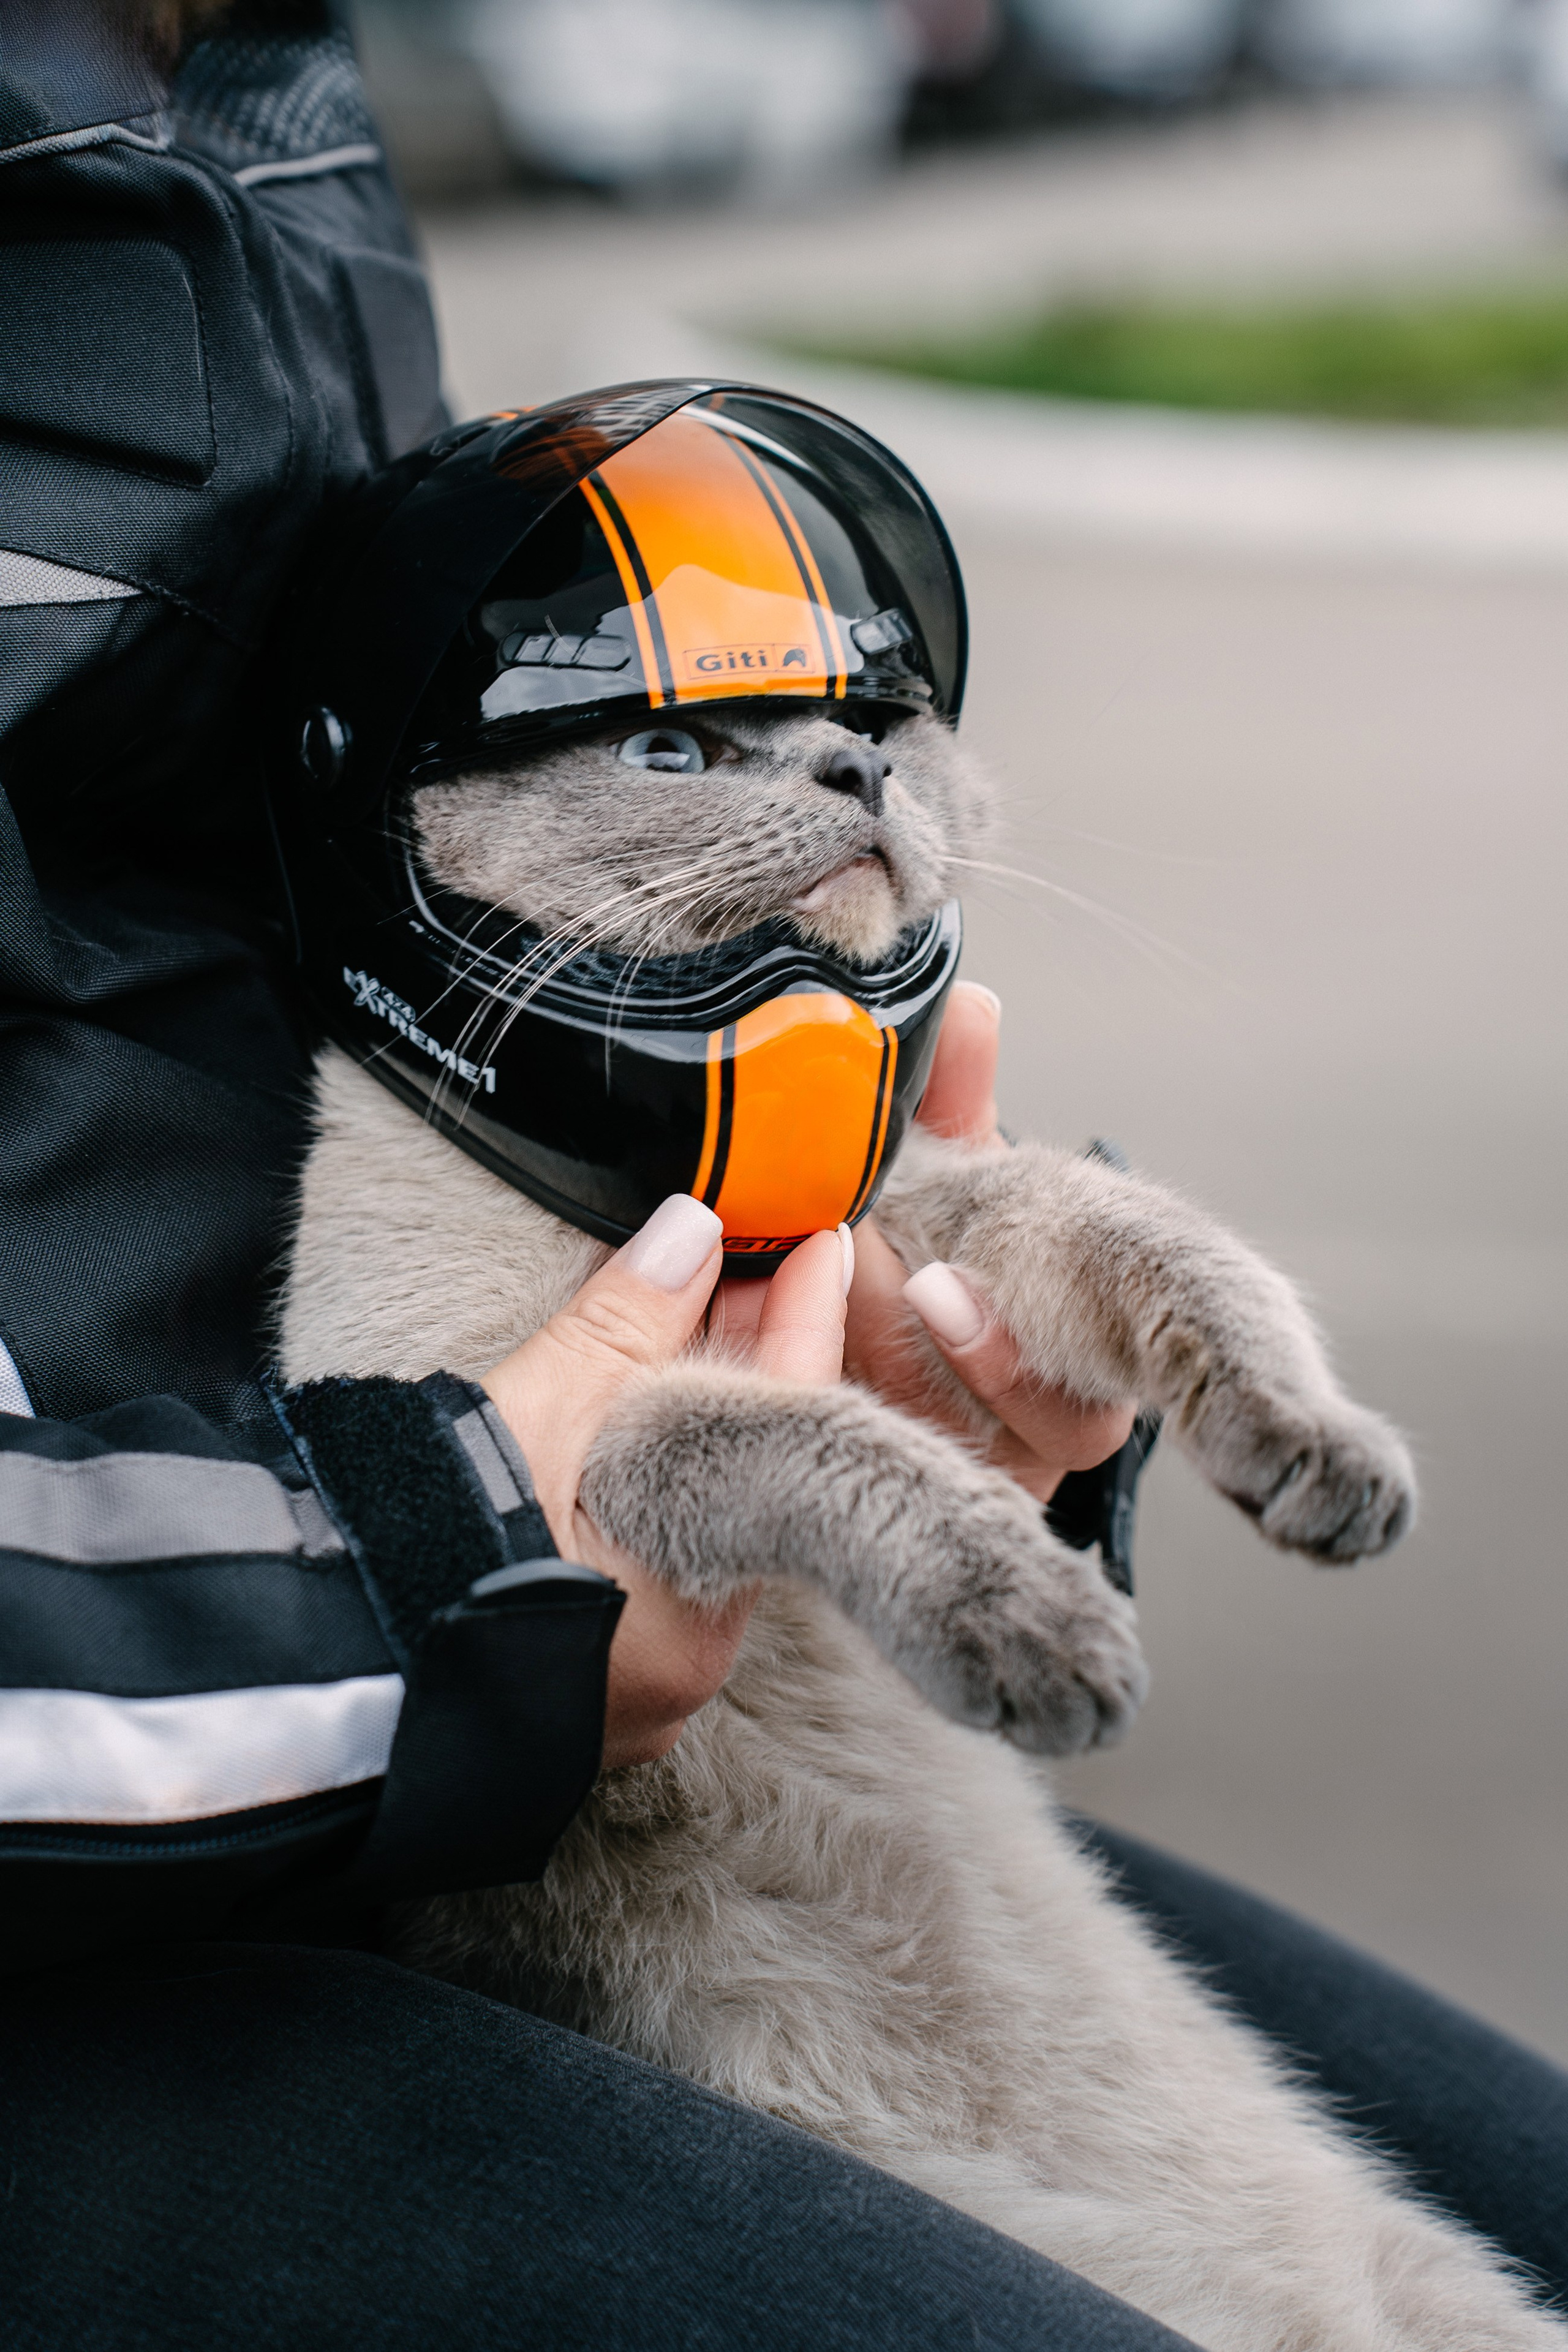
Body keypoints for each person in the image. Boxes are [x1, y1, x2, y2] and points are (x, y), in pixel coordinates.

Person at [0, 7, 1563, 2346]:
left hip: (390, 1707)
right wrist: (442, 1559)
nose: (840, 784)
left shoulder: (256, 90)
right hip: (179, 1813)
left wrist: (1033, 1363)